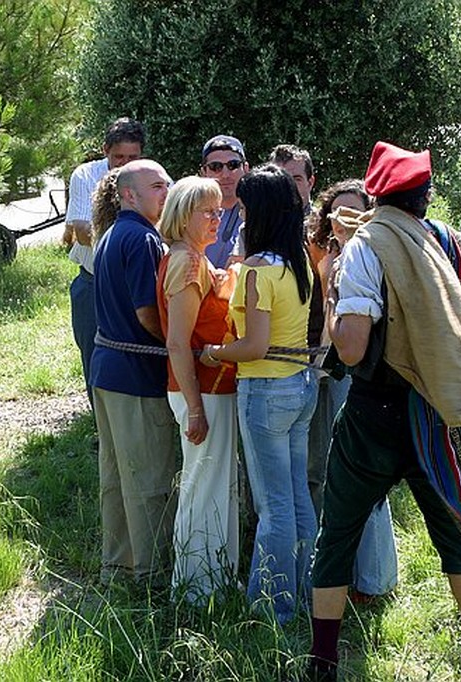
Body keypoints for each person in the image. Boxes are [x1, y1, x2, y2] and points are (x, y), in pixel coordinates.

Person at [306, 143, 461, 680]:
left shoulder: (364, 248)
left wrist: (332, 298)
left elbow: (351, 348)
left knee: (338, 535)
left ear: (378, 195)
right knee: (453, 531)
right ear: (426, 195)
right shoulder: (458, 246)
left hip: (375, 412)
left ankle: (324, 661)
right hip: (441, 411)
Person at [199, 165, 318, 624]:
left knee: (273, 507)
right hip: (299, 384)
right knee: (296, 497)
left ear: (261, 213)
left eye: (245, 208)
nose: (239, 216)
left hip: (265, 387)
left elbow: (254, 345)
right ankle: (309, 592)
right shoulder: (298, 261)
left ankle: (273, 607)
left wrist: (214, 352)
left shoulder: (255, 273)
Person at [306, 179, 399, 602]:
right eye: (337, 212)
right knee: (331, 475)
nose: (344, 220)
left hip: (358, 374)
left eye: (354, 212)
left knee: (365, 478)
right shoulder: (322, 255)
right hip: (321, 372)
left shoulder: (371, 257)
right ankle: (344, 573)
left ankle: (375, 578)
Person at [91, 159, 178, 583]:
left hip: (108, 372)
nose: (167, 191)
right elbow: (148, 313)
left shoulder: (111, 234)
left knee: (116, 478)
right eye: (158, 186)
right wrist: (180, 346)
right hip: (136, 374)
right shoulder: (144, 239)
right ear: (130, 195)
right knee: (149, 477)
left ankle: (118, 568)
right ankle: (151, 575)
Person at [156, 176, 240, 602]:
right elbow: (177, 341)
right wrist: (193, 408)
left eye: (219, 210)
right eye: (207, 211)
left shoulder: (195, 259)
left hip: (211, 390)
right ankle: (195, 590)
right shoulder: (187, 262)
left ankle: (216, 581)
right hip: (202, 392)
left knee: (214, 483)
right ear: (183, 216)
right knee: (202, 485)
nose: (216, 217)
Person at [63, 118, 145, 407]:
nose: (124, 165)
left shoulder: (153, 177)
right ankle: (101, 423)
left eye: (132, 158)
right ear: (105, 151)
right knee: (95, 357)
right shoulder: (86, 175)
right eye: (118, 157)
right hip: (93, 281)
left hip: (138, 283)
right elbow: (83, 232)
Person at [200, 135, 249, 268]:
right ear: (204, 172)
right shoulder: (190, 215)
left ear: (246, 168)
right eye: (216, 167)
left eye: (233, 165)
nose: (225, 174)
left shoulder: (259, 214)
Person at [268, 144, 316, 214]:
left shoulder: (324, 223)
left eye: (296, 179)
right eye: (280, 179)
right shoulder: (258, 222)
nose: (288, 186)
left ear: (310, 183)